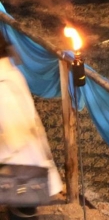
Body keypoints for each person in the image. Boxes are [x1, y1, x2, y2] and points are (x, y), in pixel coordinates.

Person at [0, 33, 63, 218]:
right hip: (23, 168)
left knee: (22, 212)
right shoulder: (10, 75)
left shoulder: (3, 85)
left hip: (19, 171)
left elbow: (14, 135)